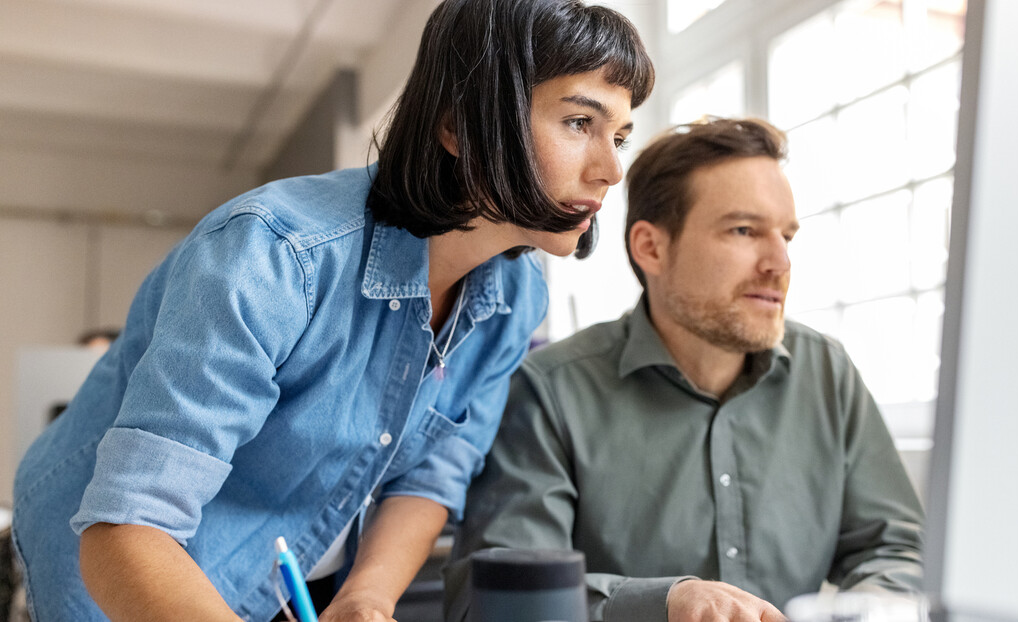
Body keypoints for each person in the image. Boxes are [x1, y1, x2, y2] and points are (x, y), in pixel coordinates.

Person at [11, 1, 653, 619]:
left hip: (287, 568)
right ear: (458, 127)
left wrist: (365, 598)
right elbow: (131, 524)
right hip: (122, 575)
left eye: (619, 136)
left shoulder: (516, 298)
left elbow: (432, 478)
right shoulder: (274, 254)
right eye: (579, 123)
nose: (610, 170)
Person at [444, 117, 925, 622]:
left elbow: (897, 550)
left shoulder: (828, 372)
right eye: (744, 230)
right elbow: (488, 600)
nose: (779, 263)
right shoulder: (549, 391)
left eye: (786, 235)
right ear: (651, 247)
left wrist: (873, 607)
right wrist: (663, 603)